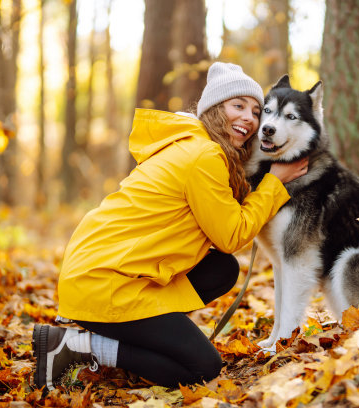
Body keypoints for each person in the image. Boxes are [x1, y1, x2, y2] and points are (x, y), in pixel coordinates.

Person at [32, 62, 308, 390]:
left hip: (104, 273)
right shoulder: (203, 157)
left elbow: (222, 237)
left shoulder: (194, 145)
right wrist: (274, 184)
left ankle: (146, 340)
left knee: (221, 269)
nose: (249, 118)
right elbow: (232, 235)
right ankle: (76, 346)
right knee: (202, 367)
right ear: (215, 110)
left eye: (255, 110)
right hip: (104, 284)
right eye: (237, 106)